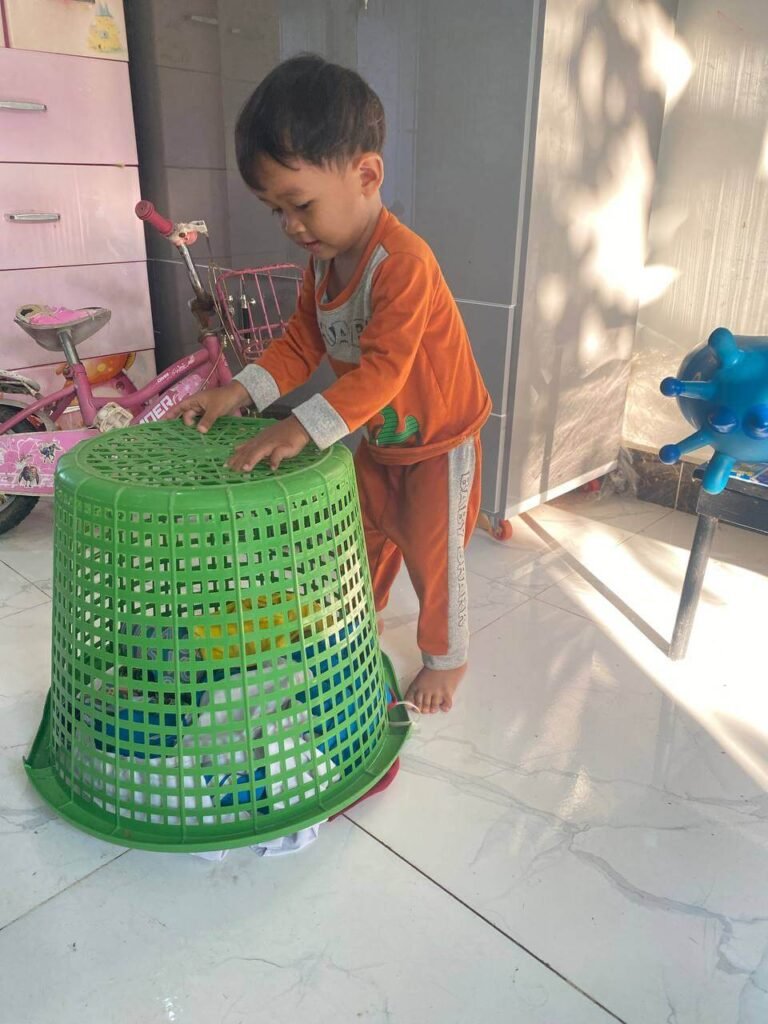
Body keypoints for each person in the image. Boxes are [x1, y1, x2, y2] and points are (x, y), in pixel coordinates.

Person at [172, 55, 491, 714]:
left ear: (366, 174)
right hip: (378, 439)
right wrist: (240, 391)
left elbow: (385, 370)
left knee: (438, 564)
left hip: (438, 445)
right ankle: (354, 621)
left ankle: (447, 659)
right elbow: (299, 345)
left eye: (301, 205)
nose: (291, 226)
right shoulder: (323, 266)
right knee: (359, 538)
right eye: (276, 211)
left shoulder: (402, 263)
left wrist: (300, 426)